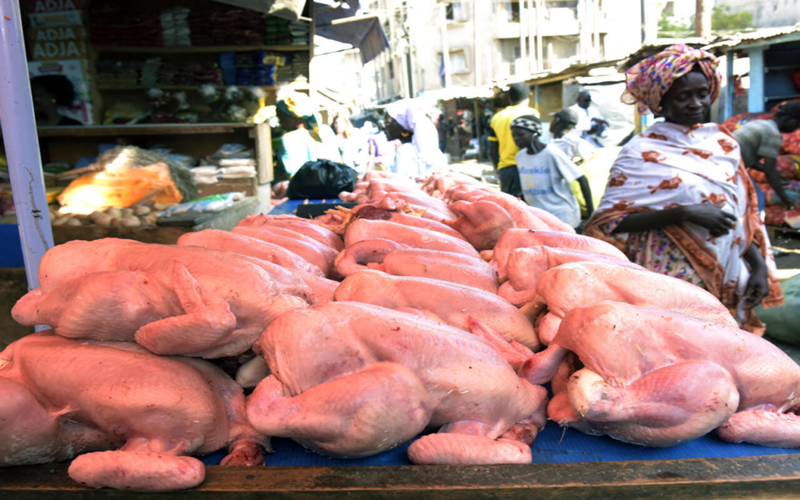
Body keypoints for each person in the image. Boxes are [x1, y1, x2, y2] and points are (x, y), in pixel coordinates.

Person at [583, 44, 783, 334]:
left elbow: (740, 217)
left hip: (725, 270)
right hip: (667, 275)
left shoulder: (723, 144)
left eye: (701, 94)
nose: (695, 104)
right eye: (682, 96)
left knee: (720, 352)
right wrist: (684, 213)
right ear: (661, 101)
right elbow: (608, 223)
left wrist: (759, 267)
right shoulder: (640, 152)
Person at [511, 115, 593, 229]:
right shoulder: (520, 157)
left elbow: (582, 179)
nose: (516, 139)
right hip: (538, 216)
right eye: (513, 135)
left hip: (561, 215)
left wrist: (591, 214)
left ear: (535, 133)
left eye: (520, 134)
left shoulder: (552, 153)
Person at [733, 102, 800, 209]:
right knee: (756, 199)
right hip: (728, 168)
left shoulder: (761, 123)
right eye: (797, 123)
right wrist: (785, 199)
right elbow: (770, 172)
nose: (796, 128)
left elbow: (746, 157)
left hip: (725, 164)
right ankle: (755, 225)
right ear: (787, 118)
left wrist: (773, 172)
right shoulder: (773, 134)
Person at [274, 90, 341, 182]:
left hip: (304, 190)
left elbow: (292, 174)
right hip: (332, 185)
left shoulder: (288, 138)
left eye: (281, 117)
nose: (280, 122)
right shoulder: (326, 131)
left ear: (294, 117)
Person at [488, 83, 540, 197]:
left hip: (505, 169)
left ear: (509, 97)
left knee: (509, 207)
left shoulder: (497, 117)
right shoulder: (531, 114)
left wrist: (499, 169)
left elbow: (492, 149)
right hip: (528, 168)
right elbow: (536, 144)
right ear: (529, 96)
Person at [384, 99, 446, 178]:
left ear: (403, 125)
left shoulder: (404, 152)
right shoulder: (437, 153)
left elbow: (400, 185)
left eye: (389, 122)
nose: (385, 127)